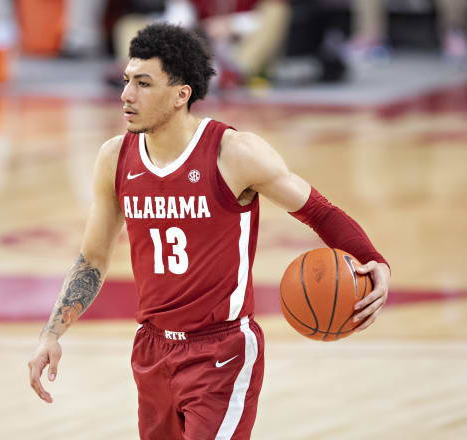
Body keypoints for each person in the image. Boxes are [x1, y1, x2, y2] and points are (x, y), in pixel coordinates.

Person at [28, 23, 391, 439]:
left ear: (182, 94)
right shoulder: (115, 158)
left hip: (222, 352)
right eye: (127, 80)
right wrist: (51, 334)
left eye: (144, 84)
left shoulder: (233, 152)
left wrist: (374, 259)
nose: (126, 95)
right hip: (151, 350)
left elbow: (319, 212)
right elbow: (92, 258)